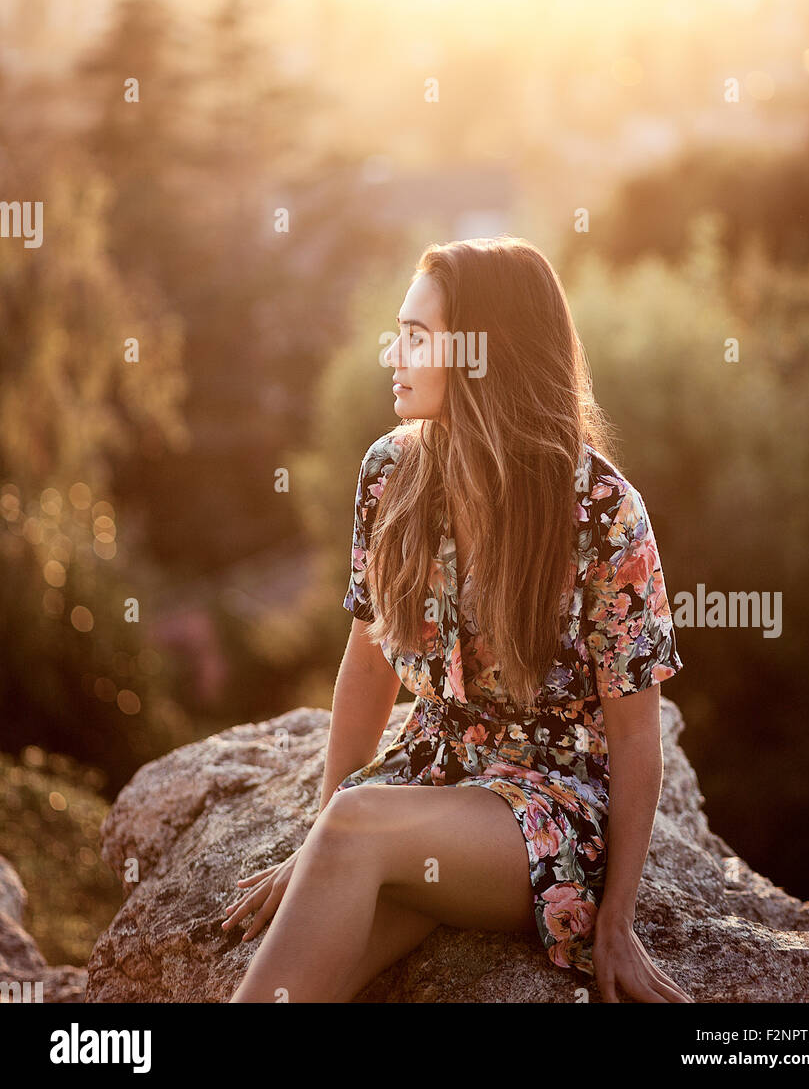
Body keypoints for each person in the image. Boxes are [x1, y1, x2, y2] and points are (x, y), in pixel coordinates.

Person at [224, 236, 692, 1003]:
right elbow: (369, 663)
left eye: (417, 338)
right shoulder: (390, 472)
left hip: (554, 808)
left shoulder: (605, 513)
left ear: (484, 354)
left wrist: (617, 923)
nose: (393, 357)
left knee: (353, 826)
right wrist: (318, 851)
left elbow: (637, 735)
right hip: (433, 777)